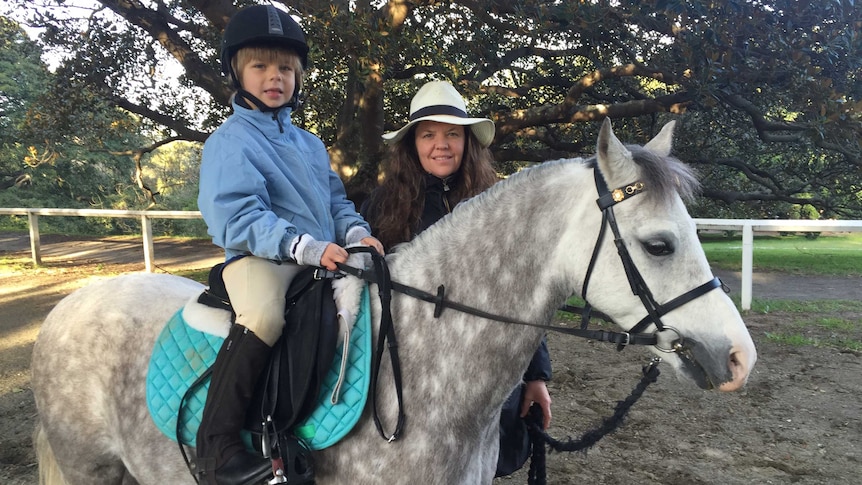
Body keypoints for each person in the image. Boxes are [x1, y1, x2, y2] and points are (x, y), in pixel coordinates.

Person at [195, 5, 383, 484]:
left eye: (284, 68)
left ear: (298, 76)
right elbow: (235, 216)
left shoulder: (310, 144)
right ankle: (216, 446)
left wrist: (358, 234)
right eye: (260, 66)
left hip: (318, 256)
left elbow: (336, 205)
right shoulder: (229, 141)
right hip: (261, 258)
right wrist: (300, 246)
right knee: (265, 316)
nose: (274, 77)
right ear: (239, 72)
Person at [361, 80, 552, 477]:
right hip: (409, 372)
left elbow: (520, 295)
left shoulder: (495, 206)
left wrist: (536, 375)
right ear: (412, 143)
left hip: (484, 364)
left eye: (452, 134)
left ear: (467, 141)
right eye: (428, 134)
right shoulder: (381, 206)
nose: (441, 144)